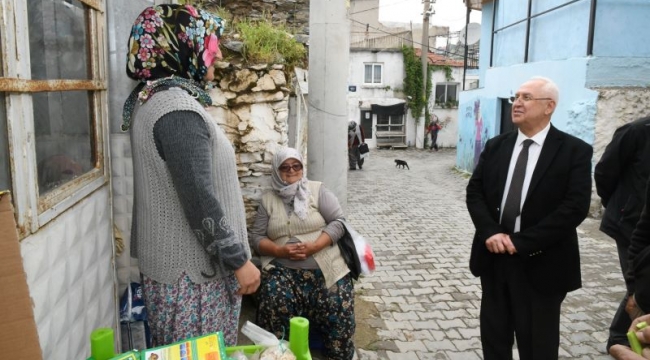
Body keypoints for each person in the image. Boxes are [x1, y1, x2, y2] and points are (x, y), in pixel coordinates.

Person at [122, 4, 260, 347]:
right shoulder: (176, 109)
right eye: (209, 46)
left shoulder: (156, 99)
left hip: (183, 276)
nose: (214, 55)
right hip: (192, 281)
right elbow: (199, 198)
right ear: (179, 47)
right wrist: (239, 261)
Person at [466, 76, 593, 360]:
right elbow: (475, 192)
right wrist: (491, 232)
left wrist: (520, 242)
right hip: (494, 259)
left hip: (542, 264)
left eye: (526, 97)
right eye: (516, 97)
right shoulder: (497, 145)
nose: (517, 103)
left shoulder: (574, 151)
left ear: (549, 106)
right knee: (494, 341)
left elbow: (574, 208)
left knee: (538, 346)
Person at [248, 147, 355, 359]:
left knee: (336, 301)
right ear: (277, 172)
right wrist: (280, 250)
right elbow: (256, 238)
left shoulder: (317, 190)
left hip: (326, 266)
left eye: (296, 166)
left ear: (302, 168)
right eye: (285, 167)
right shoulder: (269, 200)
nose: (291, 171)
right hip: (282, 270)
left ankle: (338, 354)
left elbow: (339, 222)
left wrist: (315, 246)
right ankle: (278, 354)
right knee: (273, 297)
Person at [595, 116, 650, 351]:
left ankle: (621, 336)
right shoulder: (637, 131)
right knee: (638, 283)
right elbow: (604, 172)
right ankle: (620, 339)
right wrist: (621, 207)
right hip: (629, 224)